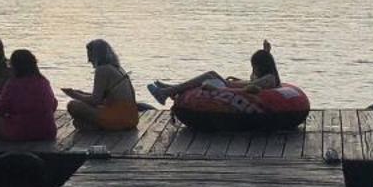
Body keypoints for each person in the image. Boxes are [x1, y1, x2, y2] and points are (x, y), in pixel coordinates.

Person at [147, 40, 281, 105]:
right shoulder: (269, 75)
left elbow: (249, 88)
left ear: (262, 65)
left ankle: (167, 92)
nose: (254, 68)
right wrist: (266, 52)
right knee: (209, 75)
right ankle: (170, 90)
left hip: (229, 89)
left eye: (255, 66)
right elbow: (253, 80)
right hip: (229, 85)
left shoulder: (269, 78)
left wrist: (222, 88)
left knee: (209, 75)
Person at [0, 48, 59, 142]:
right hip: (47, 132)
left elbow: (0, 108)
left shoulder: (13, 84)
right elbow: (53, 104)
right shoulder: (43, 81)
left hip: (21, 132)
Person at [64, 38, 139, 131]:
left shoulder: (102, 70)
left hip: (120, 118)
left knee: (73, 105)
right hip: (132, 118)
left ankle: (99, 127)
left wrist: (75, 95)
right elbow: (102, 98)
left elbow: (95, 100)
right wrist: (82, 93)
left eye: (90, 56)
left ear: (96, 56)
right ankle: (93, 126)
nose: (89, 60)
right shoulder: (118, 68)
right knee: (78, 122)